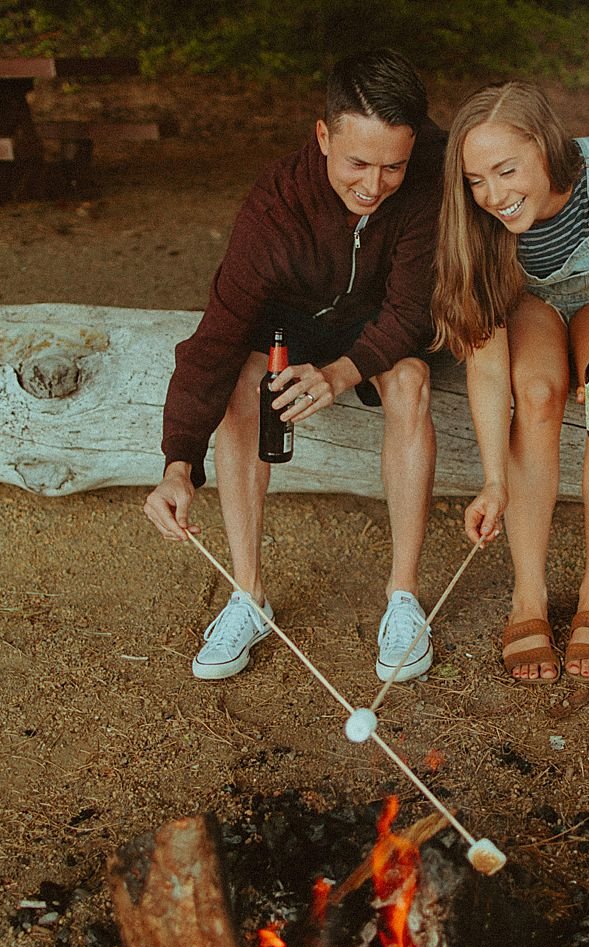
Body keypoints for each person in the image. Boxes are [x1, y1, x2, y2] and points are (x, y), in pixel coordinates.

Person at [144, 49, 443, 683]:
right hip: (295, 322)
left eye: (392, 165)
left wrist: (342, 373)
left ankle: (404, 598)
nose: (372, 184)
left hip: (378, 320)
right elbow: (218, 336)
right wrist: (177, 464)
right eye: (356, 162)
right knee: (244, 384)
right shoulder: (276, 203)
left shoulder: (422, 186)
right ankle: (248, 596)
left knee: (411, 380)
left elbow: (411, 313)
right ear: (322, 135)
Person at [432, 81, 589, 685]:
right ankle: (528, 597)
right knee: (537, 394)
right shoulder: (474, 221)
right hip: (530, 298)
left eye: (506, 171)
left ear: (543, 145)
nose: (493, 196)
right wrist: (490, 478)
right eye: (476, 180)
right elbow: (486, 361)